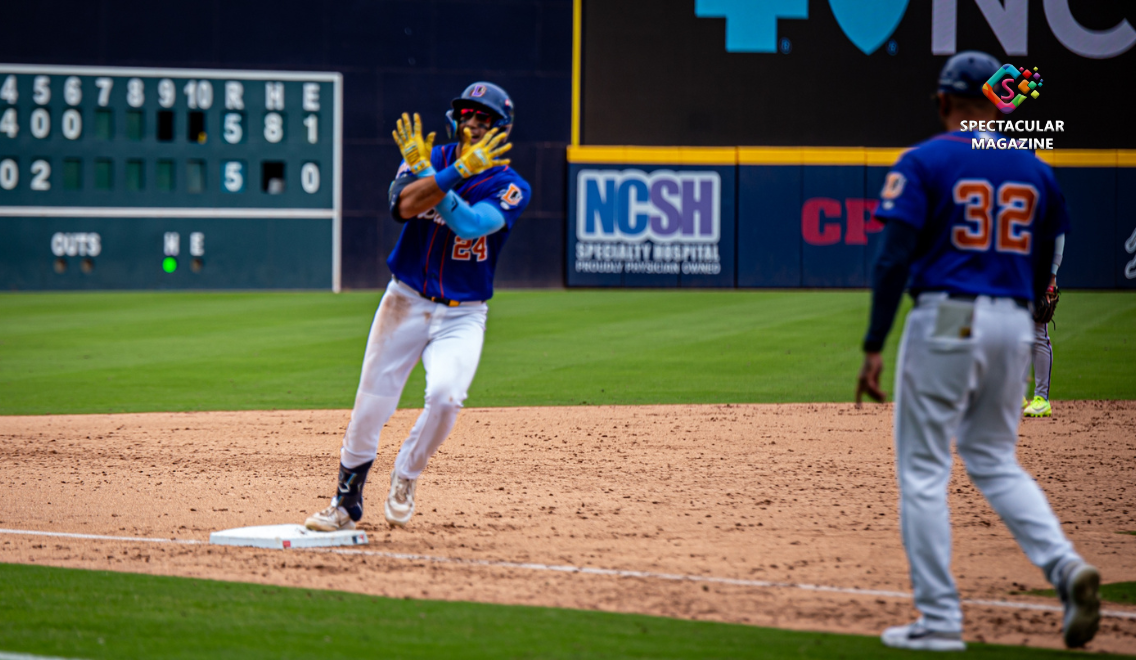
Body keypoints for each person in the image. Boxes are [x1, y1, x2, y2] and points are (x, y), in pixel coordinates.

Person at [854, 52, 1100, 651]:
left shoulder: (925, 159)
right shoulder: (1033, 167)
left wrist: (873, 344)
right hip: (1014, 323)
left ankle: (939, 622)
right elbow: (1046, 253)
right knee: (992, 458)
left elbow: (892, 259)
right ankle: (1066, 569)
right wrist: (1034, 301)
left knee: (923, 471)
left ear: (943, 102)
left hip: (948, 317)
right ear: (996, 103)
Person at [305, 82, 529, 530]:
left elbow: (469, 225)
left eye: (484, 117)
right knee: (371, 407)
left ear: (500, 128)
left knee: (447, 397)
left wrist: (440, 179)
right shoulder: (428, 157)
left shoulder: (510, 185)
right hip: (404, 301)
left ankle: (407, 472)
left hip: (463, 312)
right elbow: (404, 206)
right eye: (467, 113)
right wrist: (443, 172)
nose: (473, 122)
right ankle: (346, 504)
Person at [1023, 267, 1063, 418]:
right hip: (1015, 270)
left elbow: (1055, 242)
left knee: (1038, 332)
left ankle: (1041, 399)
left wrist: (1051, 276)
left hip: (1037, 272)